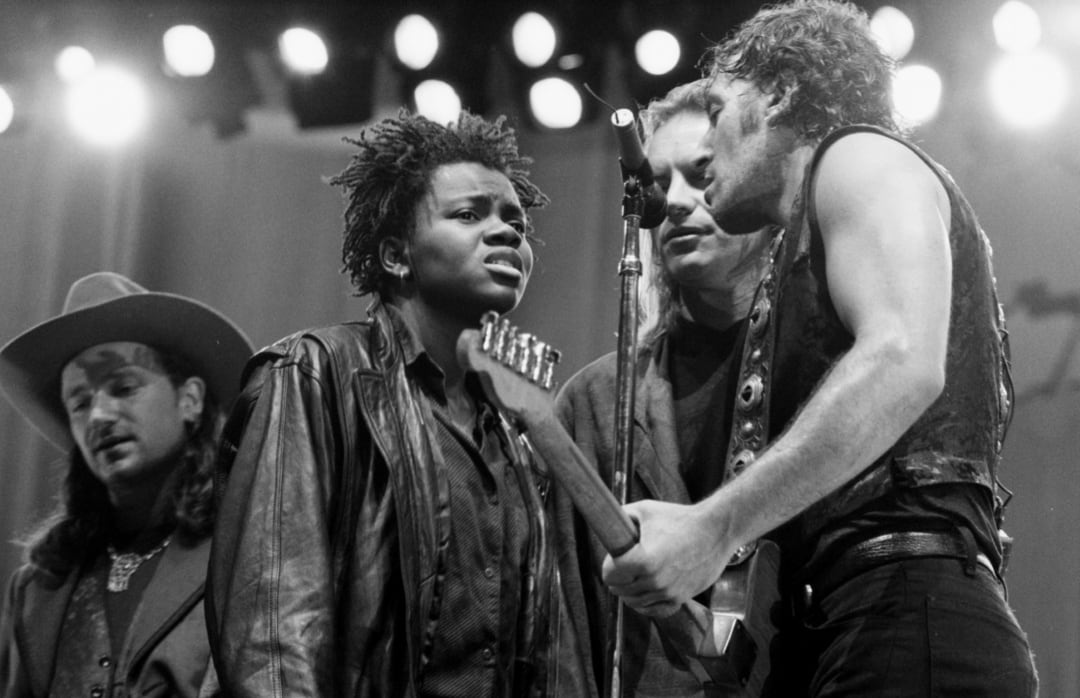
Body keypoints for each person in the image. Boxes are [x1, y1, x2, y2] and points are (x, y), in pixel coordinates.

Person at [600, 1, 1039, 696]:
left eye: (716, 111)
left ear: (779, 94)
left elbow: (901, 361)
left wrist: (713, 527)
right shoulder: (799, 249)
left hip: (902, 612)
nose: (707, 148)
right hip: (848, 621)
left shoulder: (855, 155)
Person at [206, 110, 592, 697]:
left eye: (515, 221)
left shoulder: (517, 429)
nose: (507, 232)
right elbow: (272, 632)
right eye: (469, 214)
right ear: (395, 255)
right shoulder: (314, 373)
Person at [555, 81, 774, 696]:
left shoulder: (827, 372)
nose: (675, 202)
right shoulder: (597, 400)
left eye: (702, 174)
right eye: (657, 183)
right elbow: (566, 628)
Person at [0, 271, 253, 697]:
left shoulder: (244, 555)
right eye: (79, 403)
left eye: (122, 387)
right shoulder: (37, 588)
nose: (98, 416)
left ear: (189, 399)